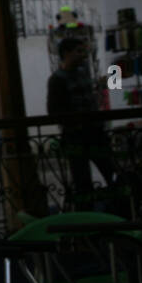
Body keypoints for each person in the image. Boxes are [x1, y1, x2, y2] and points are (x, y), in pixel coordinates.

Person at [47, 37, 115, 207]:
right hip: (76, 135)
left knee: (110, 172)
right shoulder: (57, 80)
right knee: (83, 180)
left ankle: (115, 210)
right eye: (79, 51)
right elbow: (54, 110)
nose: (83, 55)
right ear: (66, 53)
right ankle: (88, 217)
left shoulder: (82, 73)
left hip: (93, 132)